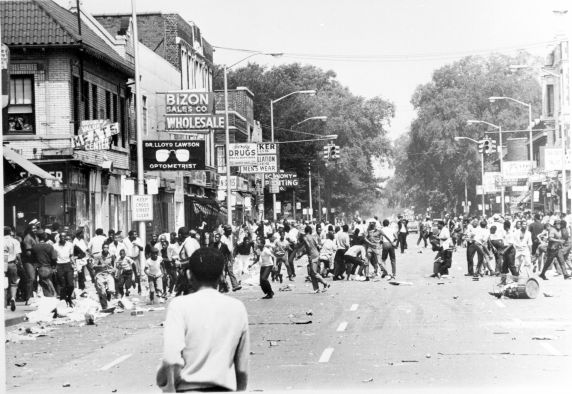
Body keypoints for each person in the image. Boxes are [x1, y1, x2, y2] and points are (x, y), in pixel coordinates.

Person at [156, 248, 249, 392]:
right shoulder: (237, 308)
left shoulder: (179, 306)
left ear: (189, 275)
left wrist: (163, 382)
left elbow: (171, 358)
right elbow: (242, 368)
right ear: (221, 276)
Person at [298, 225, 330, 293]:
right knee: (312, 273)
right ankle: (316, 289)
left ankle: (325, 283)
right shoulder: (313, 237)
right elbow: (317, 246)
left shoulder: (305, 237)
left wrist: (303, 253)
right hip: (316, 254)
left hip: (312, 256)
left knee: (314, 273)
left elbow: (308, 246)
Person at [31, 232, 58, 297]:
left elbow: (32, 258)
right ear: (45, 237)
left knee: (44, 282)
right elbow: (54, 258)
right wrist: (54, 266)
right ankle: (52, 294)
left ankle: (52, 294)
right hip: (49, 267)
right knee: (47, 281)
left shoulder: (34, 247)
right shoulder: (50, 247)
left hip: (40, 267)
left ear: (37, 238)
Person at [53, 231, 75, 307]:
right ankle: (64, 299)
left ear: (66, 237)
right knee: (62, 285)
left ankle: (69, 297)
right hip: (59, 265)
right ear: (59, 238)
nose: (62, 238)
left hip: (68, 264)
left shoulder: (70, 245)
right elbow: (54, 257)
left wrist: (74, 264)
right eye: (61, 237)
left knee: (71, 284)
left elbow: (71, 255)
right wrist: (54, 267)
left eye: (64, 237)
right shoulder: (55, 246)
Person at [92, 243, 116, 308]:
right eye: (104, 247)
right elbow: (93, 266)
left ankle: (108, 298)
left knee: (111, 290)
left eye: (107, 247)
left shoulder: (111, 255)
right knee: (102, 292)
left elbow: (113, 263)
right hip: (100, 274)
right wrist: (100, 266)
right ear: (102, 248)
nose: (106, 249)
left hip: (108, 274)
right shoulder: (98, 256)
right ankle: (104, 306)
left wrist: (114, 269)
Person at [4, 226, 22, 311]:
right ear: (10, 232)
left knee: (3, 284)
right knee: (13, 283)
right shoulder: (15, 241)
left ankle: (4, 303)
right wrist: (20, 264)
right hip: (11, 264)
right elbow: (18, 255)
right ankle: (13, 298)